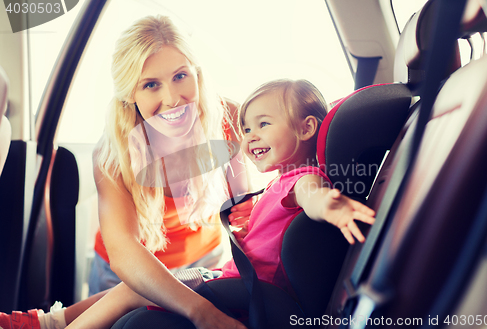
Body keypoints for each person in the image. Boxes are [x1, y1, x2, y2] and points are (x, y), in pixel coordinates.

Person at [0, 15, 251, 329]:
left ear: (197, 74)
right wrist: (203, 311)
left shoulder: (228, 118)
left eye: (180, 76)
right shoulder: (113, 153)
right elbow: (125, 253)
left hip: (204, 258)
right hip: (126, 274)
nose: (173, 98)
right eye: (150, 85)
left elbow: (244, 211)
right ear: (130, 94)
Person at [62, 79, 376, 329]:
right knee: (145, 289)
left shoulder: (303, 178)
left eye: (263, 124)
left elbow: (312, 193)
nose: (250, 137)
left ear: (307, 129)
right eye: (247, 129)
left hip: (247, 291)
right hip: (235, 282)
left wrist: (330, 206)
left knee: (136, 289)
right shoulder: (281, 182)